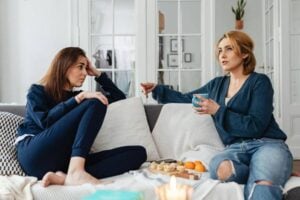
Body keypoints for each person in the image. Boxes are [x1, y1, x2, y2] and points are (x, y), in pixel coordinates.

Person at [141, 30, 293, 200]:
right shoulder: (217, 85)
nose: (222, 55)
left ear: (244, 53)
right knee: (219, 168)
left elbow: (256, 126)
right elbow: (186, 98)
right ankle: (263, 167)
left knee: (264, 182)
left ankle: (267, 168)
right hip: (234, 149)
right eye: (220, 50)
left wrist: (217, 111)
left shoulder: (259, 82)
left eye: (229, 49)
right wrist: (158, 89)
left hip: (267, 144)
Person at [16, 47, 146, 187]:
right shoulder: (37, 91)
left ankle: (67, 177)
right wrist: (78, 98)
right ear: (65, 67)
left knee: (138, 153)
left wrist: (97, 74)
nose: (84, 73)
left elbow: (119, 98)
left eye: (86, 68)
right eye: (80, 67)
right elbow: (45, 122)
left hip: (64, 160)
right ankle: (76, 172)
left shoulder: (80, 98)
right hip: (34, 154)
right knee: (96, 101)